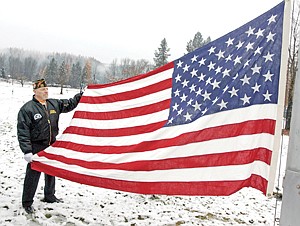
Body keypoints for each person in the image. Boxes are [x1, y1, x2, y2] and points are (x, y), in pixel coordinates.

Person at [17, 78, 83, 214]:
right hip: (36, 147)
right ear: (35, 91)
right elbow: (22, 131)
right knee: (32, 175)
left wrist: (81, 95)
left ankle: (49, 195)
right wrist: (27, 151)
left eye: (46, 89)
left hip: (51, 144)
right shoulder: (27, 109)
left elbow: (70, 104)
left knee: (51, 172)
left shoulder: (54, 104)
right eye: (42, 90)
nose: (45, 91)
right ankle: (27, 202)